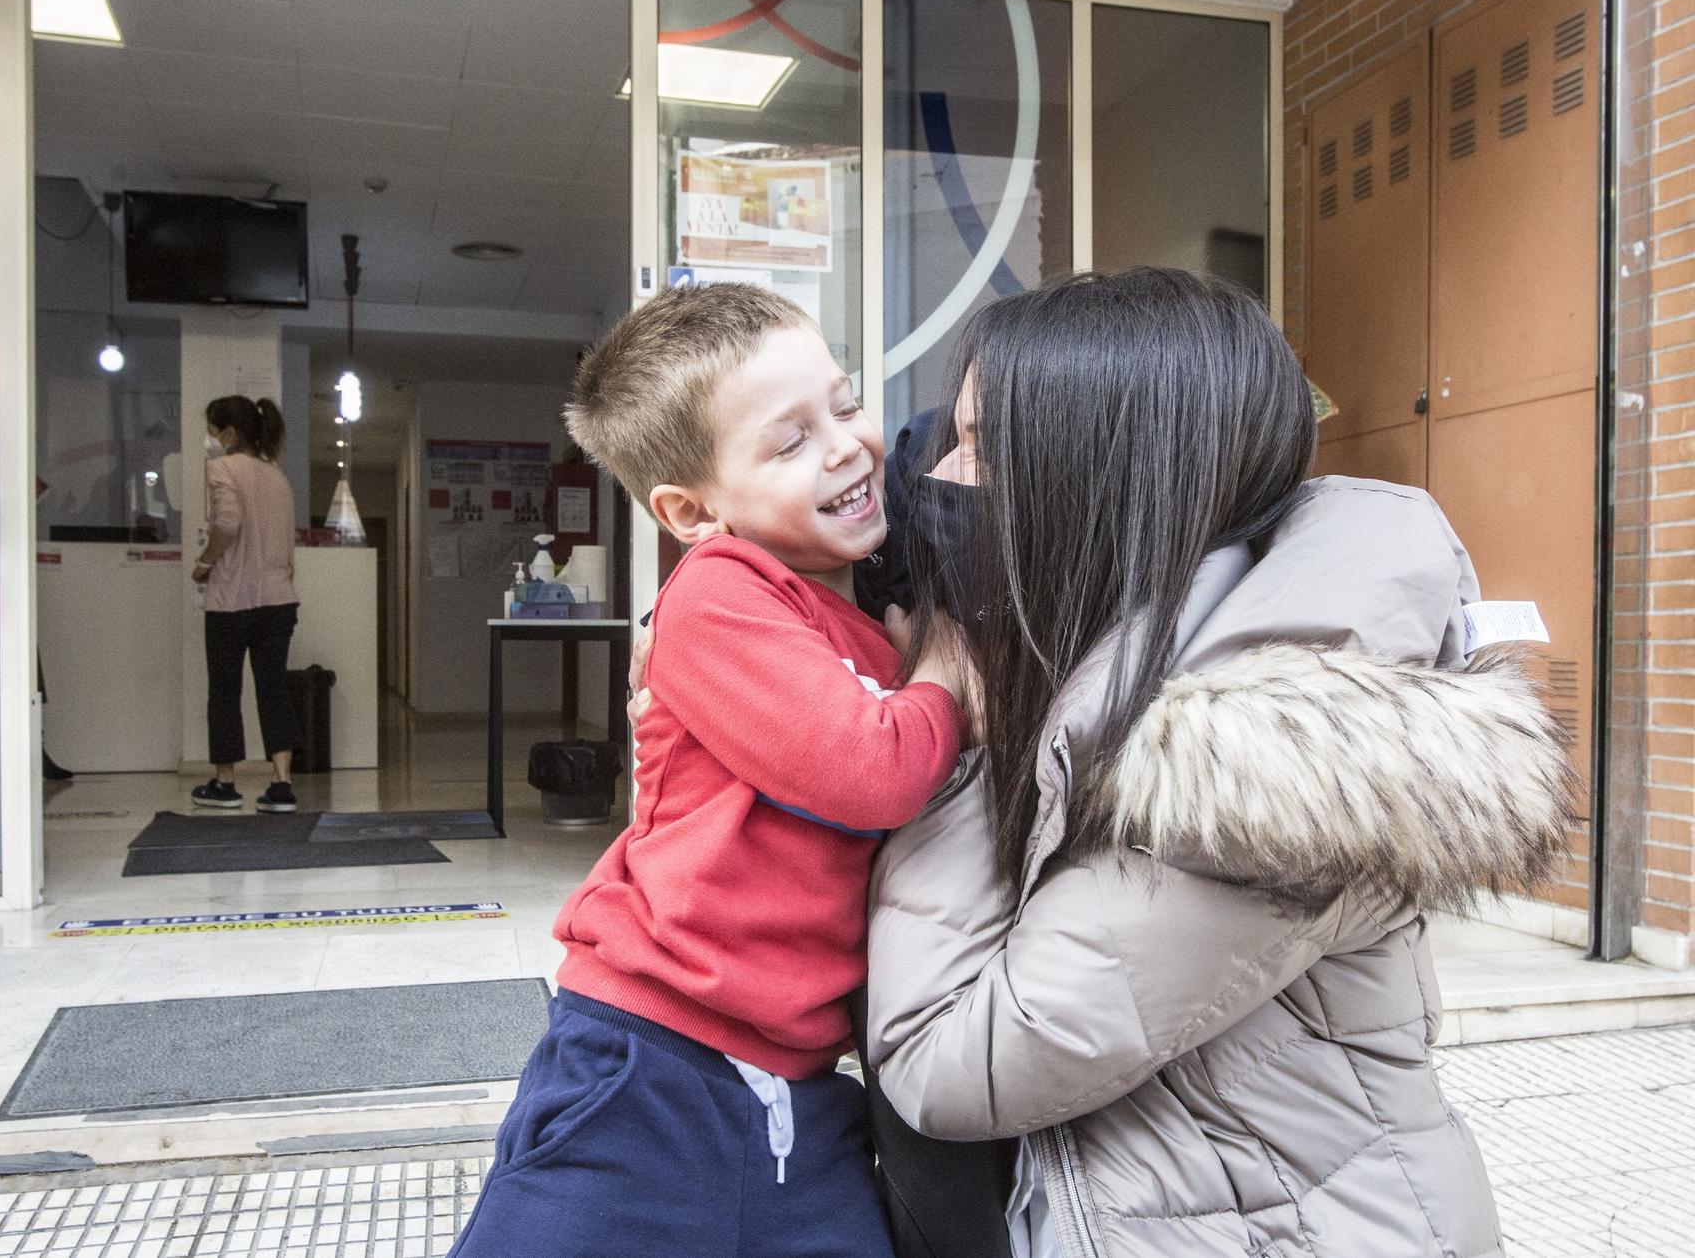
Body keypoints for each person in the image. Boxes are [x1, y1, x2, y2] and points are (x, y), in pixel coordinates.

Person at [862, 270, 1577, 1257]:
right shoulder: (1128, 651)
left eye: (982, 450)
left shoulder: (1256, 758)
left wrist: (951, 727)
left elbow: (947, 1060)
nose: (948, 479)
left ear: (1097, 481)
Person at [446, 284, 971, 1258]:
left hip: (803, 1089)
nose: (848, 446)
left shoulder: (855, 597)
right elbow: (872, 768)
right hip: (645, 1062)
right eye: (788, 442)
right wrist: (941, 668)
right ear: (692, 511)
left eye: (844, 404)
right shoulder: (718, 595)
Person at [190, 395, 301, 815]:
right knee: (273, 687)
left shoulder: (221, 467)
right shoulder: (278, 478)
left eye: (212, 430)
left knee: (224, 690)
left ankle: (225, 783)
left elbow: (227, 524)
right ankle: (281, 784)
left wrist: (204, 563)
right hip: (279, 601)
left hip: (231, 600)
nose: (211, 439)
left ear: (230, 433)